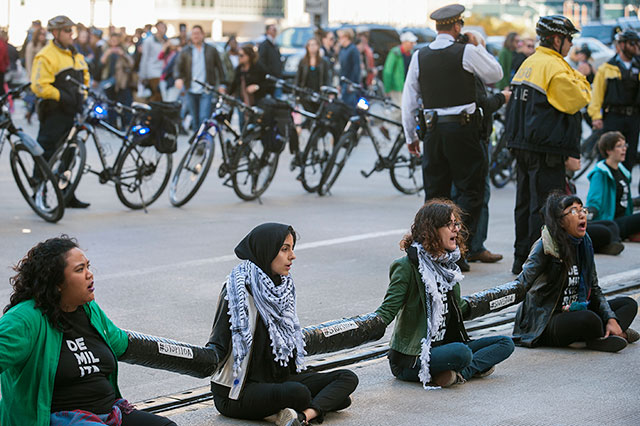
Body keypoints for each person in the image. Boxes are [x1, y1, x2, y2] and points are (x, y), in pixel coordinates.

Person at [0, 236, 177, 425]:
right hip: (56, 419)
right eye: (79, 269)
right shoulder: (24, 319)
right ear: (57, 283)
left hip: (108, 412)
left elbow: (120, 342)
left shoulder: (88, 309)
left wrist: (204, 360)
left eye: (88, 266)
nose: (89, 274)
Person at [206, 223, 358, 426]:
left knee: (347, 378)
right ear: (266, 250)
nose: (292, 256)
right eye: (284, 249)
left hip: (277, 380)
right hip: (237, 391)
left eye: (292, 249)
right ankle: (310, 407)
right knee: (301, 393)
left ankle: (302, 416)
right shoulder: (237, 292)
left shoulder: (282, 288)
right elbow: (218, 345)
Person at [401, 3, 503, 271]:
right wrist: (478, 45)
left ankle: (434, 251)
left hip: (433, 131)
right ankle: (459, 250)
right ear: (458, 26)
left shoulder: (420, 55)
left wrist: (410, 134)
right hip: (463, 130)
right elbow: (496, 73)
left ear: (438, 28)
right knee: (471, 190)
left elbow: (409, 99)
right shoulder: (466, 51)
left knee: (435, 193)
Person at [375, 200, 514, 388]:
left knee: (505, 343)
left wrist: (498, 298)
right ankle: (461, 370)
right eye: (450, 225)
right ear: (431, 230)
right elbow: (388, 309)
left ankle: (458, 374)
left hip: (443, 348)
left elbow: (459, 307)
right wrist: (366, 327)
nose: (456, 229)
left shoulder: (449, 267)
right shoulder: (406, 266)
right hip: (414, 357)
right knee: (461, 353)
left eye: (456, 224)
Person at [504, 15, 591, 274]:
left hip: (523, 144)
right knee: (545, 209)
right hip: (546, 149)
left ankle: (521, 260)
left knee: (524, 205)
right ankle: (539, 265)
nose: (571, 45)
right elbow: (579, 98)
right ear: (556, 39)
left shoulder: (529, 63)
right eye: (569, 39)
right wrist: (582, 75)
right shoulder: (555, 67)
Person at [512, 192, 639, 352]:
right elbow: (521, 284)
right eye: (573, 211)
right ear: (561, 221)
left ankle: (602, 335)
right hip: (548, 320)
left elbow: (595, 289)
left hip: (578, 308)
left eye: (582, 210)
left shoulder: (585, 242)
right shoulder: (545, 246)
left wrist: (611, 317)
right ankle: (613, 333)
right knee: (590, 319)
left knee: (628, 304)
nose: (581, 215)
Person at [452, 30, 510, 265]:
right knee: (474, 193)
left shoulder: (464, 68)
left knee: (473, 192)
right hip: (472, 138)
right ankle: (466, 247)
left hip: (470, 137)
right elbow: (482, 103)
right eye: (480, 48)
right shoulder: (469, 69)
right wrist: (503, 98)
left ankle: (472, 246)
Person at [31, 15, 91, 209]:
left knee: (70, 155)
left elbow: (85, 77)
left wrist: (83, 95)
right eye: (67, 30)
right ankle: (38, 193)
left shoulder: (75, 53)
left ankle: (66, 192)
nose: (71, 34)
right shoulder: (46, 55)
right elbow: (39, 86)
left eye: (71, 30)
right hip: (54, 112)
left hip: (73, 111)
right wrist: (62, 96)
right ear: (55, 33)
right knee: (47, 151)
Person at [588, 30, 640, 192]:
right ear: (622, 45)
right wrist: (596, 116)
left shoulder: (638, 66)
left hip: (633, 118)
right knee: (607, 154)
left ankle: (622, 192)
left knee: (628, 156)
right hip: (613, 117)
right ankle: (603, 191)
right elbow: (597, 94)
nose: (636, 47)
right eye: (633, 44)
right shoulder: (607, 68)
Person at [565, 156, 625, 255]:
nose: (580, 159)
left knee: (611, 225)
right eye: (576, 157)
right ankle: (602, 246)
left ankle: (608, 245)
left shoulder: (570, 182)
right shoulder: (599, 173)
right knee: (605, 231)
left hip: (577, 219)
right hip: (569, 225)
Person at [586, 131, 640, 241]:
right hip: (611, 222)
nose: (624, 149)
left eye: (625, 145)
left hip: (624, 219)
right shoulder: (600, 173)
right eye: (619, 146)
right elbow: (594, 201)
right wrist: (590, 213)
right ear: (608, 150)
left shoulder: (623, 172)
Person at [175, 25, 226, 131]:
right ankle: (197, 144)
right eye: (194, 34)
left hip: (206, 89)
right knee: (195, 119)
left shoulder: (211, 50)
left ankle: (204, 143)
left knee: (204, 117)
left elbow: (220, 68)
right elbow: (178, 67)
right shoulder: (185, 51)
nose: (196, 36)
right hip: (190, 88)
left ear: (203, 35)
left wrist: (222, 84)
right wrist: (178, 78)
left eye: (198, 33)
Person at [228, 44, 268, 128]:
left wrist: (256, 87)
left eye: (241, 55)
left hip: (256, 99)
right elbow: (234, 84)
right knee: (242, 121)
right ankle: (243, 140)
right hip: (241, 99)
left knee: (254, 122)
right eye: (238, 55)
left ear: (249, 56)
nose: (239, 57)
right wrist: (227, 94)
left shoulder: (258, 68)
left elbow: (267, 84)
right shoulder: (239, 69)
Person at [100, 32, 134, 128]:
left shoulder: (124, 50)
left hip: (121, 81)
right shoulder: (105, 49)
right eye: (112, 40)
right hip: (108, 80)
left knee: (123, 103)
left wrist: (123, 54)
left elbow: (131, 63)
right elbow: (101, 64)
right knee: (110, 103)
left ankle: (124, 124)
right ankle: (112, 123)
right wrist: (107, 54)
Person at [295, 37, 330, 112]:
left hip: (319, 94)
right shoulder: (303, 62)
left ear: (318, 46)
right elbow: (298, 78)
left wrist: (327, 92)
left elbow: (326, 78)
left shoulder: (323, 62)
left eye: (314, 45)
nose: (312, 47)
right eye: (310, 45)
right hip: (305, 93)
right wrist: (296, 93)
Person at [383, 31, 417, 106]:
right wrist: (387, 88)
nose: (413, 45)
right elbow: (388, 71)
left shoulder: (411, 53)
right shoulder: (395, 53)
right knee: (398, 108)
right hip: (397, 87)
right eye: (411, 43)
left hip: (407, 87)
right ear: (404, 42)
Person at [139, 21, 167, 102]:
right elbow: (145, 58)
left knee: (160, 97)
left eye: (164, 27)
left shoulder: (165, 41)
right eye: (161, 27)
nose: (163, 30)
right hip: (153, 73)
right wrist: (142, 75)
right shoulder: (149, 41)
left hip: (163, 73)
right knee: (156, 96)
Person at [337, 28, 361, 109]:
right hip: (343, 83)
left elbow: (356, 68)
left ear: (346, 37)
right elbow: (342, 69)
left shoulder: (353, 50)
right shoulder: (343, 50)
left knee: (350, 107)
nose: (339, 40)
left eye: (340, 37)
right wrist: (340, 83)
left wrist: (353, 83)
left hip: (350, 84)